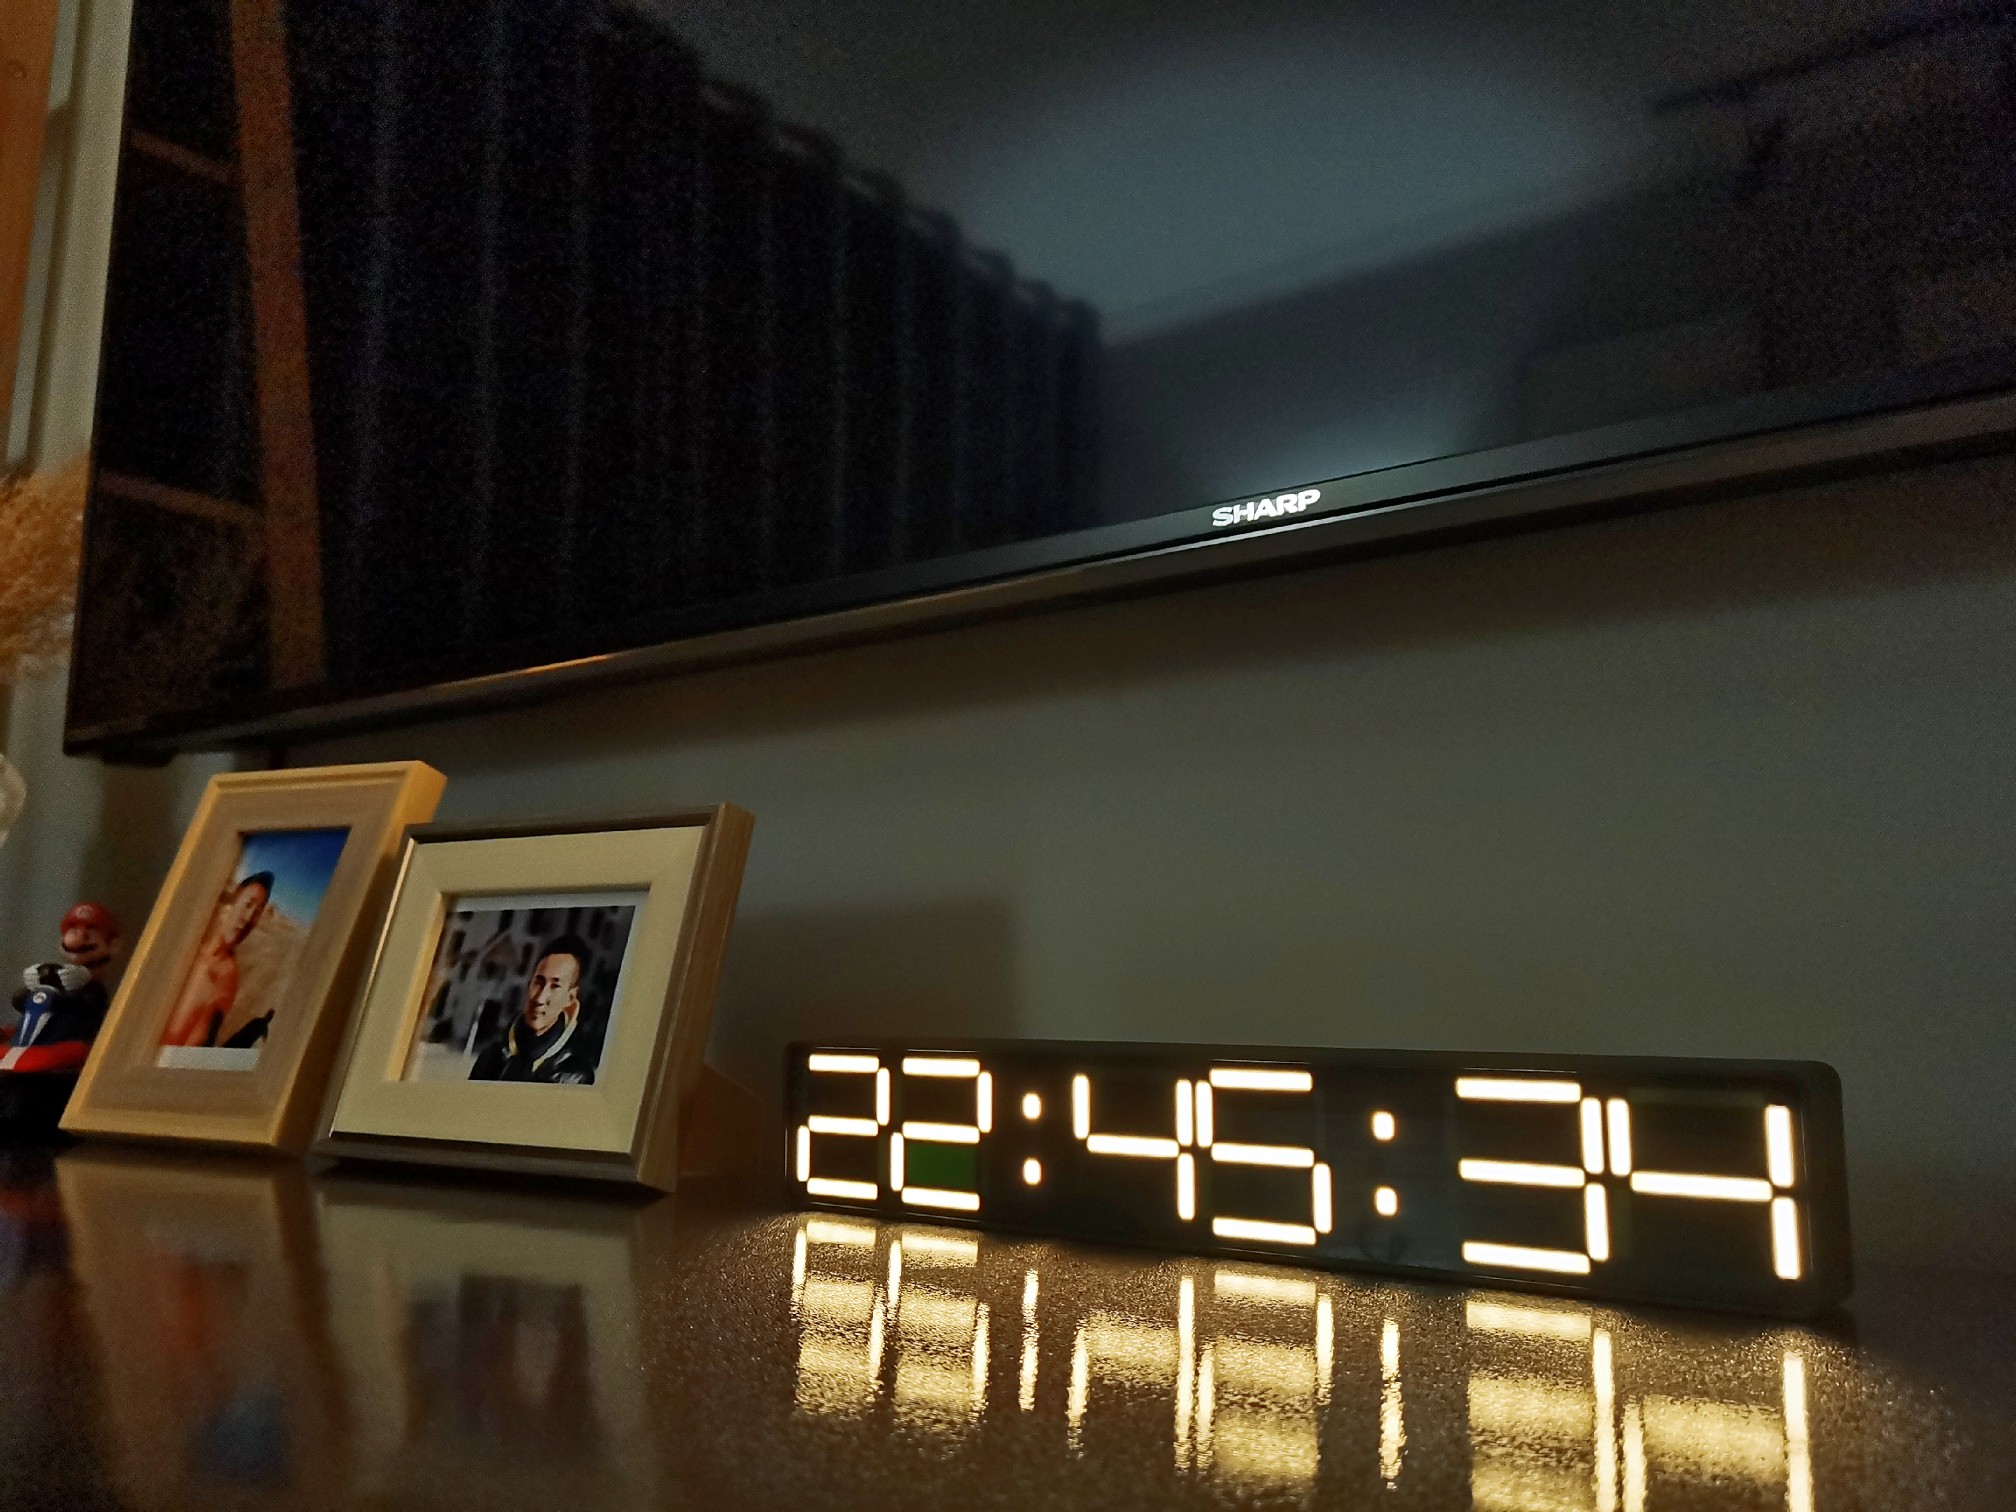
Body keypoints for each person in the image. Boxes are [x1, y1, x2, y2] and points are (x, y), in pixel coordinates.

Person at [159, 872, 272, 1049]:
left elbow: (189, 1049)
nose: (248, 918)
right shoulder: (191, 936)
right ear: (235, 899)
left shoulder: (226, 979)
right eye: (248, 904)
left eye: (258, 912)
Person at [468, 934, 598, 1085]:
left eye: (555, 986)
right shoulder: (491, 1057)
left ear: (569, 998)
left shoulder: (575, 1076)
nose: (540, 998)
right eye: (539, 982)